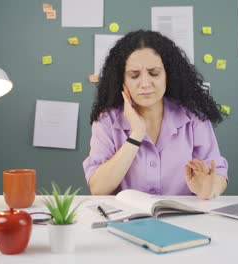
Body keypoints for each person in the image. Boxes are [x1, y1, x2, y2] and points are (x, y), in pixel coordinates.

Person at [83, 30, 228, 199]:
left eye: (154, 73)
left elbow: (218, 172)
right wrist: (136, 134)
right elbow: (98, 188)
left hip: (183, 219)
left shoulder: (194, 118)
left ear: (168, 75)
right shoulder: (106, 121)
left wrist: (209, 188)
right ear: (122, 81)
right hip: (126, 221)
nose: (145, 83)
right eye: (134, 75)